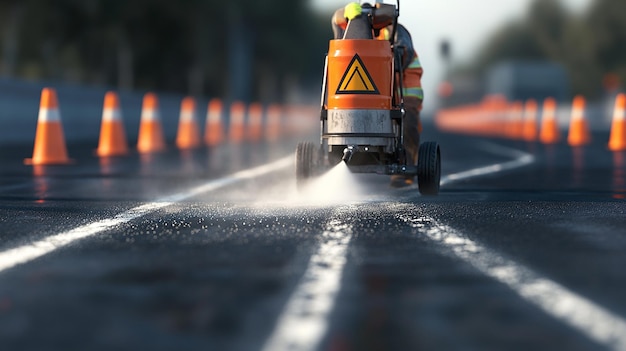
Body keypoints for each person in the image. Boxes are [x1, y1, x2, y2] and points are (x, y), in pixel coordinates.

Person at [332, 1, 424, 187]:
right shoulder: (351, 26)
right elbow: (336, 20)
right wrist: (346, 14)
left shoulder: (396, 31)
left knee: (407, 120)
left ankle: (405, 167)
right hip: (369, 88)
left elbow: (404, 54)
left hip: (403, 84)